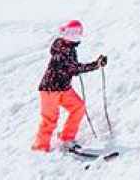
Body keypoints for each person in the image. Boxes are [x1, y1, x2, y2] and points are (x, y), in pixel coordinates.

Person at [32, 20, 106, 153]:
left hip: (64, 88)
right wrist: (95, 65)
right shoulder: (61, 50)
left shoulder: (70, 47)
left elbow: (73, 68)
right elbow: (73, 68)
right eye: (78, 33)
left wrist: (96, 64)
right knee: (50, 119)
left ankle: (67, 138)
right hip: (50, 89)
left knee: (78, 107)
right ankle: (40, 148)